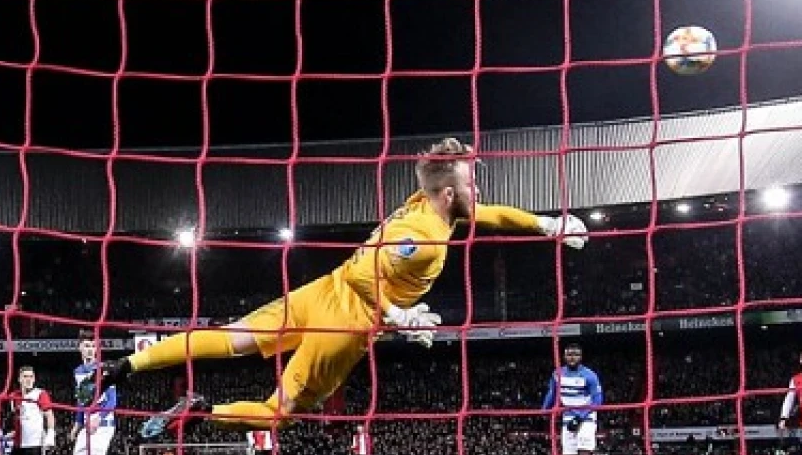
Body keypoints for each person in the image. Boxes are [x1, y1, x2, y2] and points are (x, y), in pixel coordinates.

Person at [100, 137, 587, 435]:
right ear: (447, 194)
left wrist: (547, 225)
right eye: (470, 185)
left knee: (232, 338)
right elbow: (364, 273)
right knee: (280, 413)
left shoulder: (429, 204)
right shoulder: (421, 236)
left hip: (322, 291)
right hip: (347, 320)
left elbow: (489, 213)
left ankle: (126, 364)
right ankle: (204, 410)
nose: (477, 194)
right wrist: (395, 315)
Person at [69, 336, 127, 455]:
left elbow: (112, 401)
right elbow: (81, 401)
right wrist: (77, 425)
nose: (89, 349)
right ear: (79, 348)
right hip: (86, 425)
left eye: (93, 346)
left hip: (103, 425)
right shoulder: (78, 372)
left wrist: (98, 417)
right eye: (86, 345)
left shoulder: (105, 369)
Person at [542, 343, 603, 455]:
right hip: (568, 416)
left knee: (584, 454)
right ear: (564, 356)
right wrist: (544, 410)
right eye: (569, 354)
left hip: (586, 416)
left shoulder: (589, 375)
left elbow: (597, 400)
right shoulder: (557, 374)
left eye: (575, 354)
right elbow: (552, 393)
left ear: (581, 356)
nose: (572, 357)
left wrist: (581, 417)